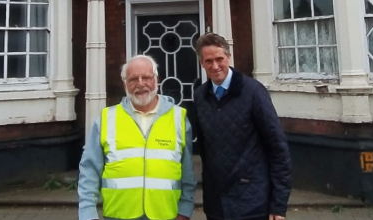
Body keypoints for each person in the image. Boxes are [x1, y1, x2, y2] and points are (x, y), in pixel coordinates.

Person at [78, 54, 196, 220]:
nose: (140, 84)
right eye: (133, 79)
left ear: (156, 79)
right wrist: (87, 213)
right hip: (118, 215)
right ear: (124, 83)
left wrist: (185, 210)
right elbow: (89, 170)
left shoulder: (179, 118)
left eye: (146, 77)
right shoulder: (106, 118)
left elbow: (188, 173)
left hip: (165, 214)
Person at [193, 33, 291, 220]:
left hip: (252, 202)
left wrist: (278, 206)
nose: (215, 66)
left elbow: (278, 148)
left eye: (219, 59)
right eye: (208, 61)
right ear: (201, 63)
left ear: (228, 57)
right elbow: (205, 150)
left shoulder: (254, 91)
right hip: (216, 204)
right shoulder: (200, 97)